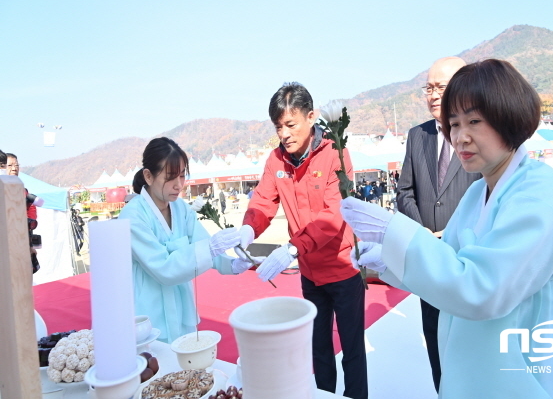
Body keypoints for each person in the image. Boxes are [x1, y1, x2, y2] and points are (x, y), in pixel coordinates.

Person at [341, 59, 553, 398]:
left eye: (474, 121)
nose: (460, 137)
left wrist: (396, 234)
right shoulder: (479, 191)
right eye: (454, 124)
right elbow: (450, 262)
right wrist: (391, 263)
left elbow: (482, 288)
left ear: (508, 117)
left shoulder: (541, 196)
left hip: (540, 375)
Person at [239, 82, 368, 399]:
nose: (284, 133)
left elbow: (334, 214)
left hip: (343, 269)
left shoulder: (336, 153)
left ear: (311, 117)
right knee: (318, 349)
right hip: (310, 274)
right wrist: (246, 230)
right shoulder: (276, 161)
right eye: (278, 126)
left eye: (291, 124)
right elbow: (263, 202)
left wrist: (293, 246)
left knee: (352, 349)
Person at [119, 137, 262, 343]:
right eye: (170, 177)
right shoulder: (133, 216)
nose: (178, 185)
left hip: (180, 305)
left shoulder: (180, 208)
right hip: (150, 309)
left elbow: (202, 245)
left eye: (182, 176)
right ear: (148, 176)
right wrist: (210, 248)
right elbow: (164, 268)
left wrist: (233, 264)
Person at [395, 56, 481, 392]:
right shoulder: (417, 136)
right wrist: (422, 234)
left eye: (439, 87)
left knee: (469, 346)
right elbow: (404, 192)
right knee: (436, 346)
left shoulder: (479, 135)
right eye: (427, 88)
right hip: (428, 259)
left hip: (467, 260)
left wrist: (454, 231)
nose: (432, 95)